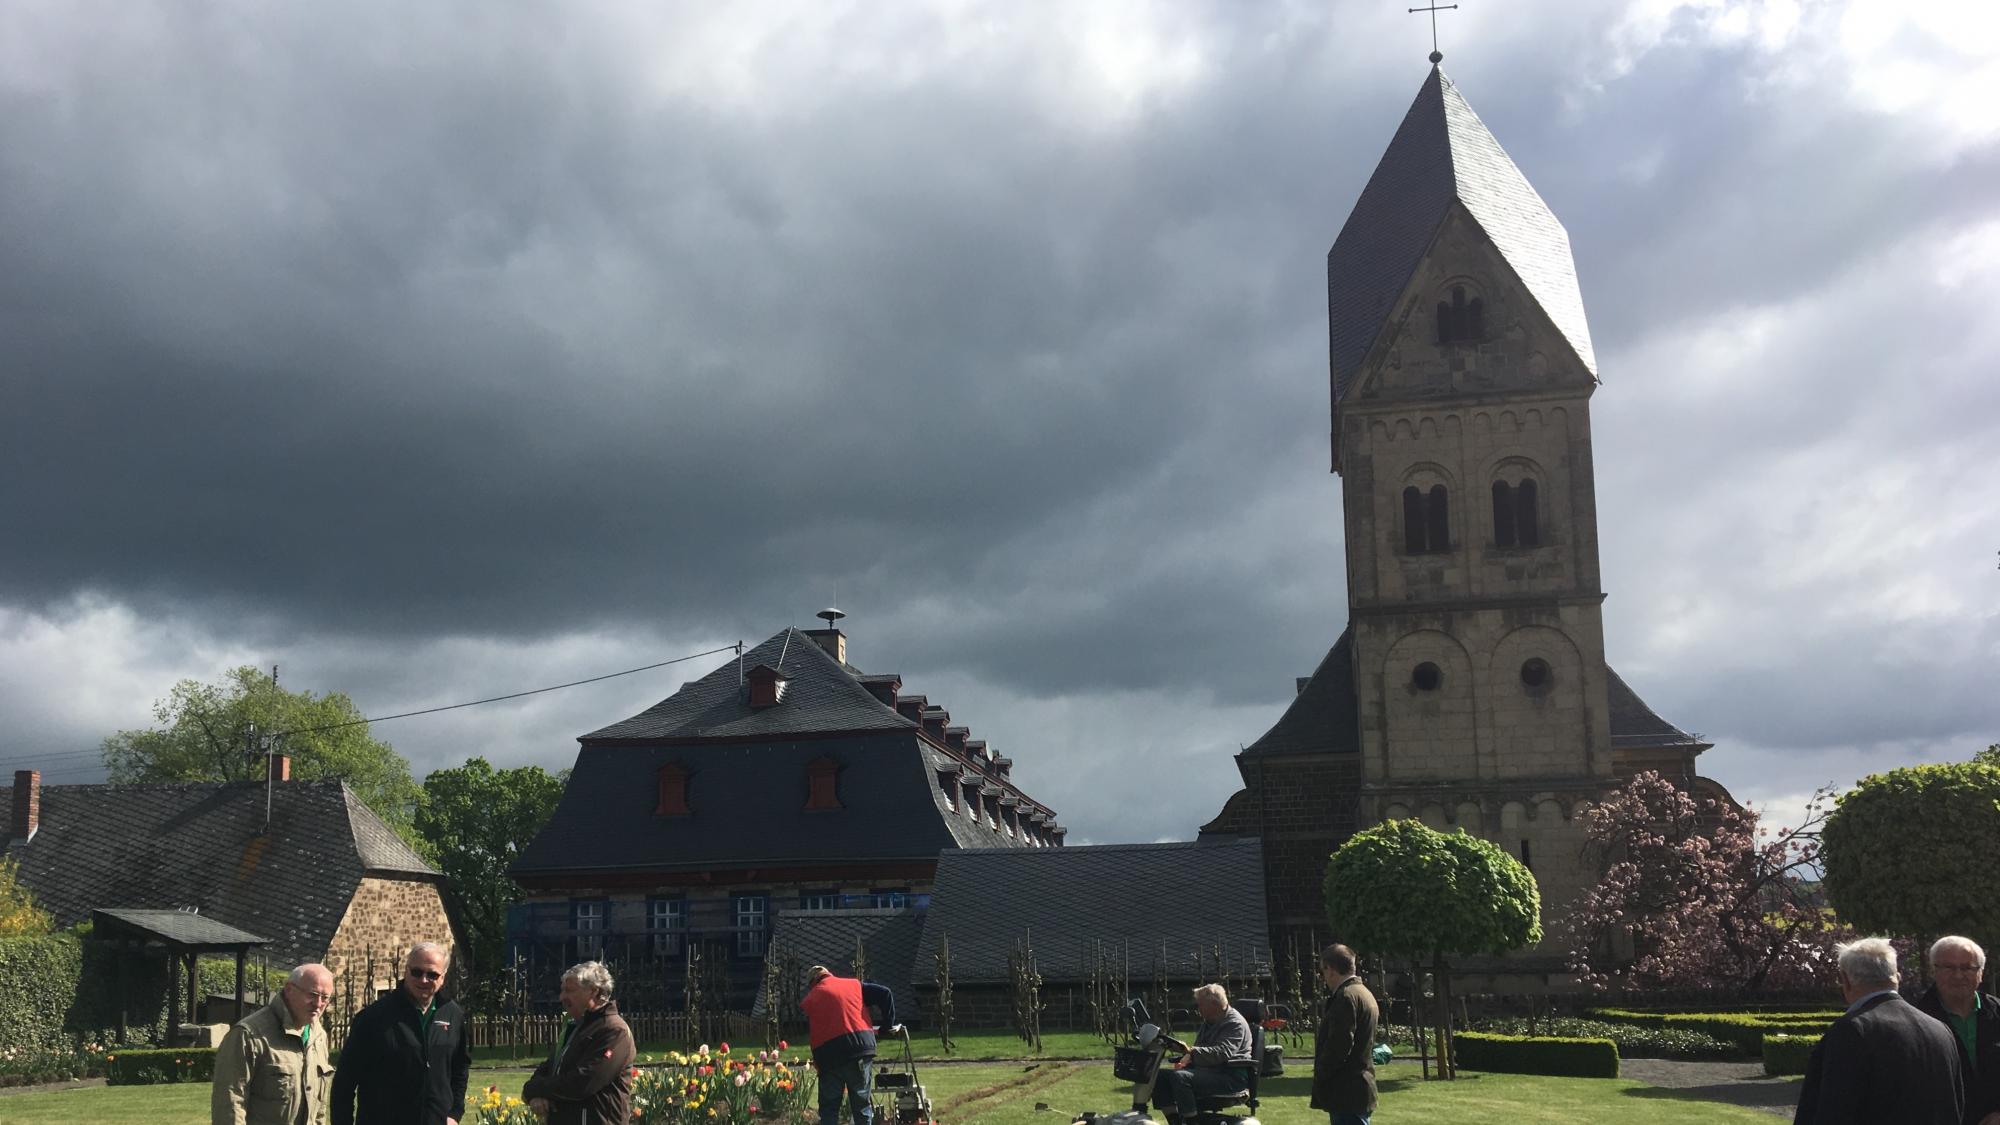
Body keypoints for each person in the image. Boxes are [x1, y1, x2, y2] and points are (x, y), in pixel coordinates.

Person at [1795, 936, 1963, 1125]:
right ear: (1897, 977)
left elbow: (1833, 1110)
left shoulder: (1852, 1029)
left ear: (1845, 980)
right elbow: (1955, 1108)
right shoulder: (1940, 1030)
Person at [330, 942, 471, 1125]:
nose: (423, 980)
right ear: (406, 971)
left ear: (442, 978)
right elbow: (344, 1083)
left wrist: (454, 1113)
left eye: (432, 975)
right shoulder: (373, 1018)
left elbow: (460, 1068)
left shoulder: (453, 1015)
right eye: (417, 972)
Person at [213, 962, 335, 1125]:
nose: (318, 1004)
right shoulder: (249, 1035)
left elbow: (319, 1108)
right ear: (290, 990)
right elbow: (230, 1104)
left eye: (325, 998)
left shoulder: (318, 1036)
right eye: (312, 995)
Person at [522, 960, 635, 1125]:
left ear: (594, 992)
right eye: (562, 991)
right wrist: (534, 1092)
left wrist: (534, 1089)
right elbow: (549, 1067)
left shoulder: (614, 1031)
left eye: (569, 991)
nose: (562, 997)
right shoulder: (576, 1027)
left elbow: (583, 1082)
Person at [1915, 935, 2000, 1125]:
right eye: (1949, 968)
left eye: (1967, 968)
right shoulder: (1915, 1020)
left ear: (1981, 972)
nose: (1958, 975)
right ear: (1933, 971)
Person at [800, 964, 898, 1125]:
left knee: (829, 1110)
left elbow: (815, 1033)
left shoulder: (811, 999)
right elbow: (885, 993)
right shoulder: (853, 985)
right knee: (862, 1108)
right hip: (860, 1049)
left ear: (812, 984)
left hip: (829, 1057)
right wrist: (887, 1026)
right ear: (828, 974)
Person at [1152, 983, 1255, 1125]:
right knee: (1160, 1076)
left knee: (1181, 1078)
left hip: (1229, 1078)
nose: (1198, 1009)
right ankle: (1174, 1121)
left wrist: (1191, 1051)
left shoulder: (1235, 1024)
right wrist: (1185, 1054)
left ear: (1214, 1004)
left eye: (1200, 1005)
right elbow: (1199, 1050)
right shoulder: (1209, 1022)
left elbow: (1222, 1053)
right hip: (1208, 1072)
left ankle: (1191, 1122)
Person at [1310, 944, 1378, 1125]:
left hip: (1346, 1089)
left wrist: (1321, 1072)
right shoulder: (1364, 993)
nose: (1323, 978)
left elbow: (1339, 1045)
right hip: (1359, 1086)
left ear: (1330, 969)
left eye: (1322, 972)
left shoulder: (1346, 997)